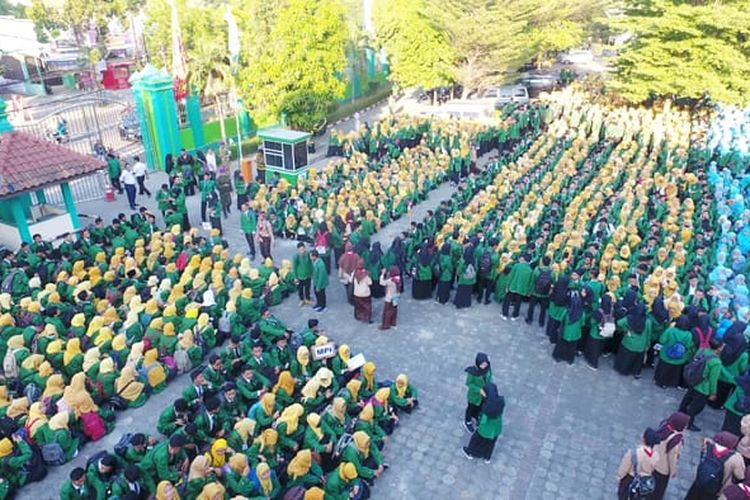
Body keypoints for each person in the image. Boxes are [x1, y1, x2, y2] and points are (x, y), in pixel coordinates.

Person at [679, 338, 724, 431]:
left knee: (688, 398)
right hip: (703, 387)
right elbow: (713, 379)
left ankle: (680, 413)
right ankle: (688, 423)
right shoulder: (716, 362)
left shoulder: (702, 350)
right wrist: (713, 393)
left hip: (693, 380)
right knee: (696, 407)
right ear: (719, 348)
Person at [685, 432, 745, 499]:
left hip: (700, 481)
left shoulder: (707, 446)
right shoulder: (735, 458)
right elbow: (740, 476)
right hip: (715, 489)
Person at [462, 382, 505, 463]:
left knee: (475, 440)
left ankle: (469, 452)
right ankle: (487, 457)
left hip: (485, 430)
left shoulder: (486, 408)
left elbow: (483, 421)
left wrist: (478, 423)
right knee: (491, 443)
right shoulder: (501, 401)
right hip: (497, 429)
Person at [652, 412, 690, 499]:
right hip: (662, 468)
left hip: (653, 460)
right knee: (658, 490)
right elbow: (672, 459)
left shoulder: (664, 426)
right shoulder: (676, 440)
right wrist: (673, 471)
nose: (686, 426)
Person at [615, 428, 660, 500]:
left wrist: (618, 478)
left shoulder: (633, 453)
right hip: (644, 482)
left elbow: (623, 469)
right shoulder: (656, 455)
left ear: (644, 438)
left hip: (630, 480)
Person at [464, 353, 492, 433]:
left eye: (485, 364)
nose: (484, 366)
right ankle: (467, 421)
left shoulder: (488, 369)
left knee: (479, 407)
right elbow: (469, 383)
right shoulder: (472, 372)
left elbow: (490, 377)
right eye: (482, 364)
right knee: (471, 408)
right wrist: (479, 390)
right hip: (474, 396)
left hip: (483, 395)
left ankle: (475, 416)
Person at [502, 253, 533, 320]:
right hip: (521, 290)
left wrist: (507, 286)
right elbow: (530, 283)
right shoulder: (530, 270)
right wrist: (528, 292)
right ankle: (514, 316)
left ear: (523, 259)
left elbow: (511, 277)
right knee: (518, 303)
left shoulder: (516, 266)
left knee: (507, 301)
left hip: (512, 287)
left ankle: (504, 314)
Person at [379, 266, 401, 330]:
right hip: (395, 298)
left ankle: (385, 325)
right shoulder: (398, 279)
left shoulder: (390, 281)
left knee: (387, 312)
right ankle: (393, 323)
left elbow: (382, 283)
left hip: (389, 298)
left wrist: (382, 274)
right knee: (394, 310)